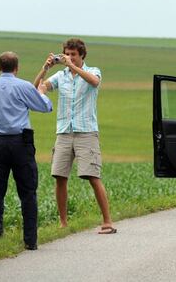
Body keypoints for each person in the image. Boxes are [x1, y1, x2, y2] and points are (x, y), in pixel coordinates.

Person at [0, 51, 52, 250]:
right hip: (21, 143)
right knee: (28, 192)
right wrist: (42, 94)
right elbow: (44, 107)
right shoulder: (23, 86)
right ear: (17, 68)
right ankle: (30, 240)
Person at [33, 38, 116, 234]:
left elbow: (94, 82)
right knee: (60, 176)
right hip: (64, 131)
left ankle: (107, 221)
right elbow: (36, 89)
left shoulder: (93, 71)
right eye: (66, 54)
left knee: (92, 176)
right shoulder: (60, 76)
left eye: (73, 55)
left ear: (81, 56)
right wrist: (44, 69)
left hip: (86, 131)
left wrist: (72, 67)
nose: (69, 58)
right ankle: (63, 222)